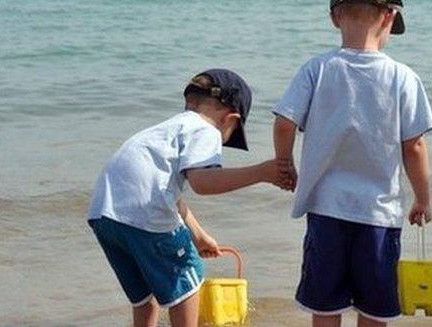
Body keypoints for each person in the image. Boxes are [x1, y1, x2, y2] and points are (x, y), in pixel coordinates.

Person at [272, 0, 432, 326]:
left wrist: (284, 164)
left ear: (334, 18)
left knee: (326, 308)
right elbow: (415, 146)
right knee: (375, 311)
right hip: (378, 216)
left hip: (326, 211)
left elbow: (284, 122)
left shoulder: (317, 69)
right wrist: (422, 199)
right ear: (389, 17)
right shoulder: (402, 77)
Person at [87, 69, 286, 327]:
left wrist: (199, 235)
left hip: (104, 215)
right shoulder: (206, 129)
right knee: (189, 279)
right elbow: (203, 183)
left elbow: (166, 194)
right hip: (144, 215)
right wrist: (261, 172)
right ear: (231, 118)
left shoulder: (164, 131)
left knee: (146, 296)